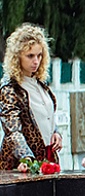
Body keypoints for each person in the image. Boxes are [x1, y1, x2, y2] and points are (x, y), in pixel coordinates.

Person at [0, 24, 62, 170]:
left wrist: (56, 132)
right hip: (21, 164)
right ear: (17, 57)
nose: (36, 61)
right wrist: (26, 157)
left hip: (47, 156)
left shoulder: (40, 83)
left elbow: (47, 116)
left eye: (39, 55)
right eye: (30, 56)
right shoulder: (9, 88)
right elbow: (12, 130)